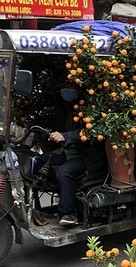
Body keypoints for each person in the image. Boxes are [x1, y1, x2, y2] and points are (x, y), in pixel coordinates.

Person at [46, 86, 107, 226]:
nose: (65, 90)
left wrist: (65, 136)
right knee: (40, 161)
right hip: (66, 152)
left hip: (86, 156)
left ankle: (68, 213)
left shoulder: (89, 107)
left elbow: (91, 130)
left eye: (69, 86)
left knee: (64, 172)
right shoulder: (65, 107)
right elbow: (54, 124)